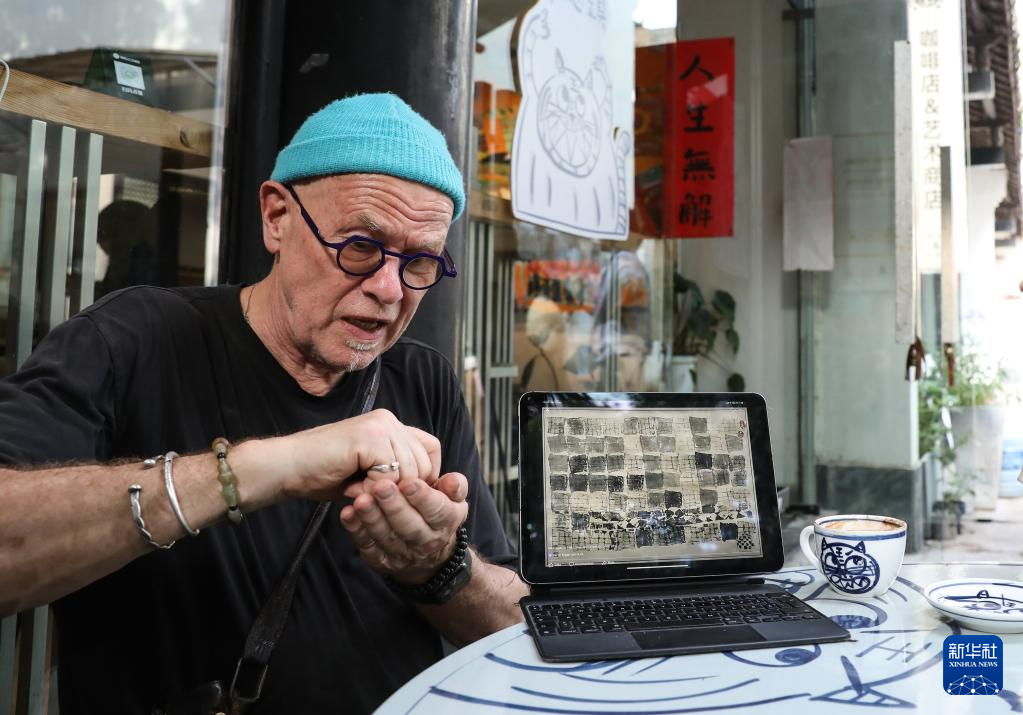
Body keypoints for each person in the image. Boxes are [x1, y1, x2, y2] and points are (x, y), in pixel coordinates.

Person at [0, 93, 529, 714]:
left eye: (420, 262)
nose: (389, 288)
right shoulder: (134, 340)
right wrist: (265, 468)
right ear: (277, 216)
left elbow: (515, 627)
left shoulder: (420, 378)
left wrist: (439, 566)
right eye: (360, 246)